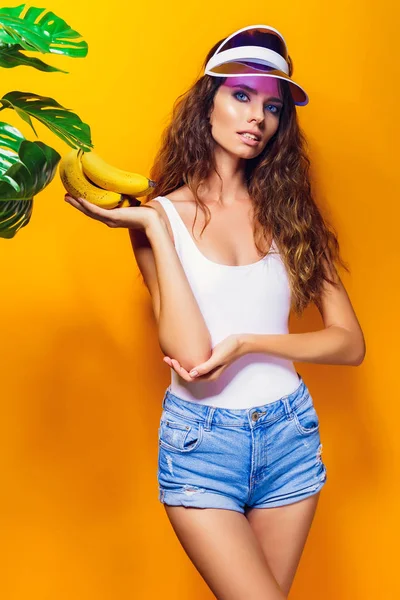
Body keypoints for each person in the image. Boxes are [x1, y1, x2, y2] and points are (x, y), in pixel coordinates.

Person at [65, 24, 366, 600]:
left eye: (273, 106)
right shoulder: (158, 218)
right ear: (208, 103)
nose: (258, 116)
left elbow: (348, 344)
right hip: (201, 447)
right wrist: (155, 225)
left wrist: (253, 342)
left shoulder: (291, 214)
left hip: (289, 436)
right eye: (242, 95)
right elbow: (192, 357)